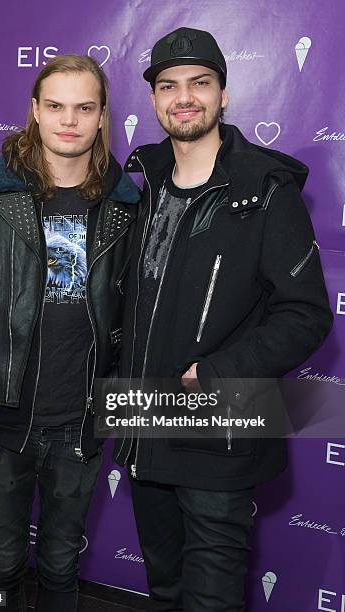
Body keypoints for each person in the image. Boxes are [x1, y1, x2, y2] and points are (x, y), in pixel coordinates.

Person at [114, 27, 333, 611]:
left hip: (222, 428)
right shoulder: (142, 184)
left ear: (224, 94)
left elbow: (307, 313)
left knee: (211, 602)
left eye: (199, 83)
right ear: (155, 100)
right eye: (169, 85)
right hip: (144, 424)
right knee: (164, 592)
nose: (184, 97)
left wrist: (216, 372)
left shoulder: (266, 188)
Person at [0, 54, 139, 611]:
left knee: (59, 565)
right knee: (1, 562)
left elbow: (135, 321)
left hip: (79, 425)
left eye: (84, 107)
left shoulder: (127, 205)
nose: (68, 120)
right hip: (1, 422)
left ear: (102, 117)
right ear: (34, 111)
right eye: (55, 106)